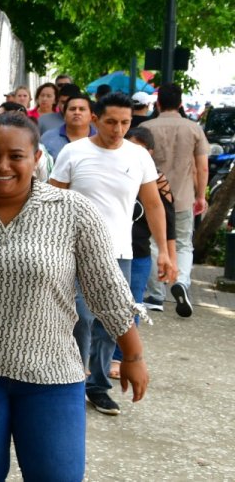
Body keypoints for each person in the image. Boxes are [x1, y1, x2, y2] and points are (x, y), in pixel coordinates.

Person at [0, 111, 150, 481]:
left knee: (57, 475)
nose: (3, 166)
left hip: (51, 373)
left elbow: (107, 289)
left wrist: (133, 356)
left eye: (16, 156)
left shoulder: (73, 211)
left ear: (37, 158)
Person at [48, 92, 173, 416]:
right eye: (111, 122)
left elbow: (154, 204)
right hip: (74, 252)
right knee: (79, 318)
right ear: (96, 119)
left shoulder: (138, 156)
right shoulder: (73, 153)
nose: (118, 129)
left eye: (125, 123)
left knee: (114, 322)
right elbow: (50, 202)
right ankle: (71, 382)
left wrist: (164, 251)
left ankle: (98, 386)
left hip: (119, 252)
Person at [113, 127, 176, 378]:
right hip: (105, 250)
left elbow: (168, 220)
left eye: (141, 149)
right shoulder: (111, 171)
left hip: (138, 253)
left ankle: (119, 358)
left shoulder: (157, 180)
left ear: (150, 153)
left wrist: (168, 255)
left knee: (132, 305)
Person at [143, 83, 208, 317]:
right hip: (182, 197)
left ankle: (155, 295)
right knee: (183, 244)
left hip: (151, 196)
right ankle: (180, 281)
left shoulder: (146, 128)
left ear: (158, 103)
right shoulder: (193, 128)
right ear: (180, 103)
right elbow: (202, 166)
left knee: (152, 243)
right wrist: (201, 195)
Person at [40, 90, 95, 159]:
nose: (77, 112)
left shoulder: (101, 138)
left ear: (91, 115)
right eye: (72, 109)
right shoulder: (47, 138)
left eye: (82, 109)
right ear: (64, 115)